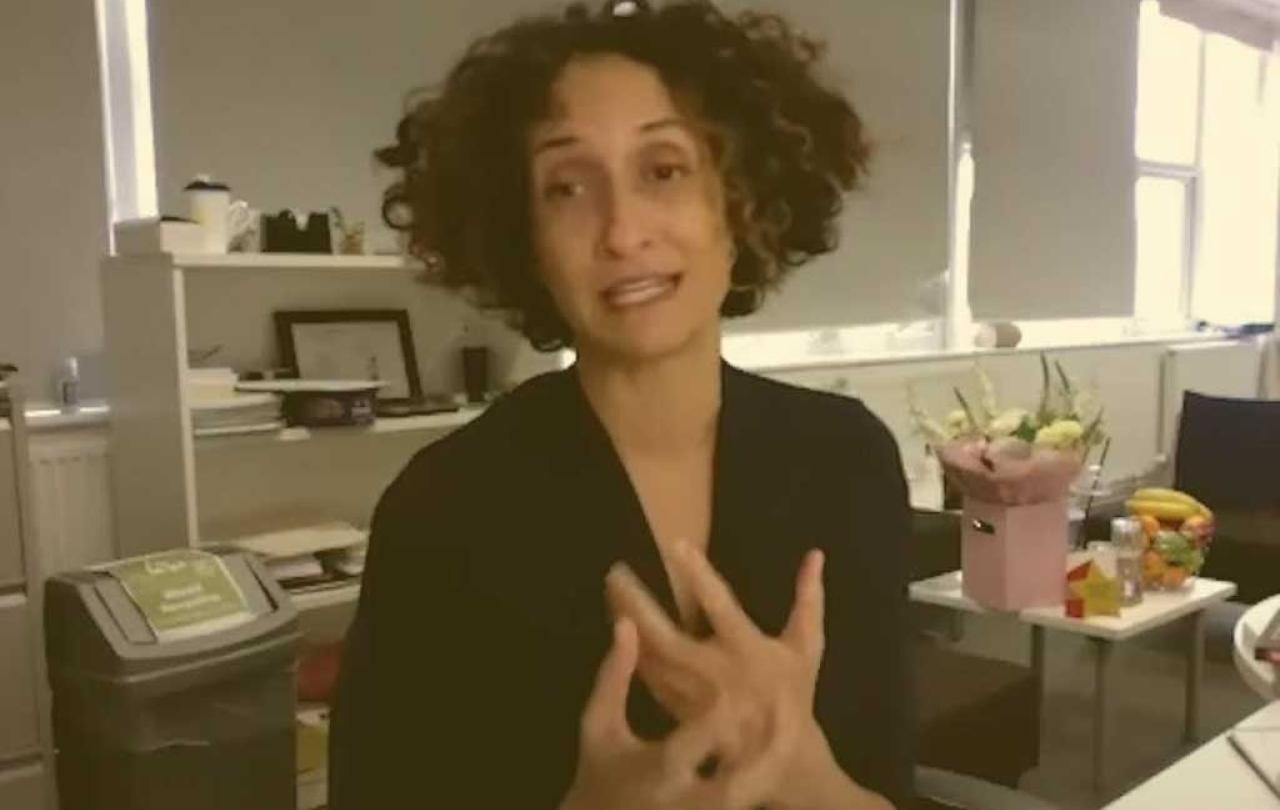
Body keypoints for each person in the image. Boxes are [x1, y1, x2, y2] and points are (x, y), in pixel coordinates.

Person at [330, 1, 913, 807]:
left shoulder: (848, 460)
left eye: (663, 170)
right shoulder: (444, 508)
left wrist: (799, 767)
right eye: (567, 187)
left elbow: (884, 789)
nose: (621, 230)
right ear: (522, 237)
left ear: (740, 201)